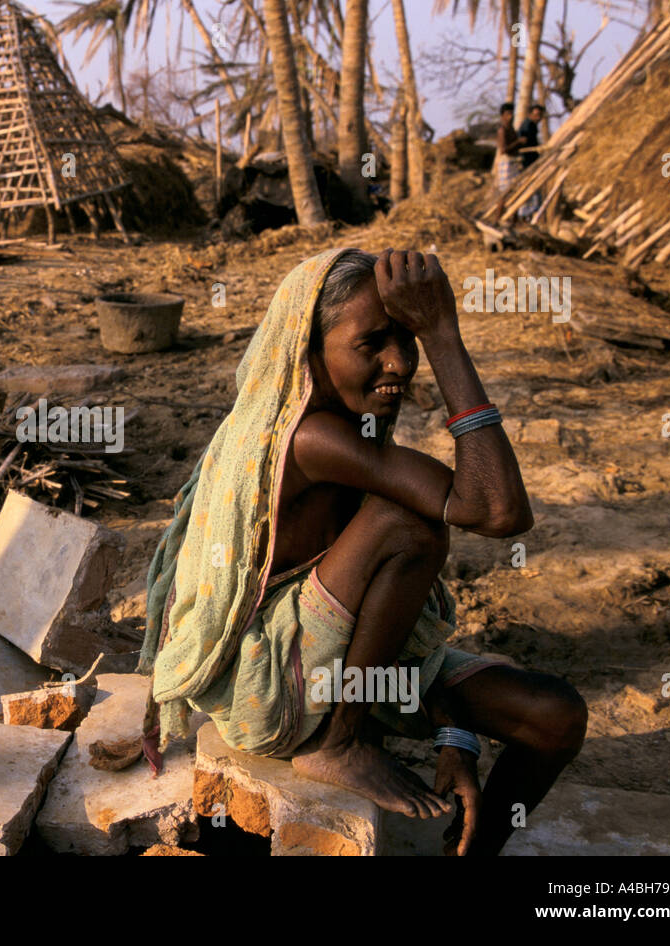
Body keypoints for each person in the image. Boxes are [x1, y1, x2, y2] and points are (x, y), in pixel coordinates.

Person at [139, 247, 587, 856]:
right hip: (269, 684)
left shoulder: (351, 429)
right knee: (410, 523)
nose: (401, 362)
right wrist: (445, 335)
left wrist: (453, 731)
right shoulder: (311, 436)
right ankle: (339, 744)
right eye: (373, 342)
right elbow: (497, 510)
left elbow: (389, 614)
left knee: (555, 717)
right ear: (308, 349)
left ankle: (474, 850)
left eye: (411, 340)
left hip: (339, 661)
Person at [493, 102, 523, 197]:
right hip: (506, 163)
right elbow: (503, 150)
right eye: (508, 114)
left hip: (513, 162)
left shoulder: (511, 129)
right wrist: (518, 142)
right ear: (503, 116)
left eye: (512, 113)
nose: (511, 116)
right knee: (504, 193)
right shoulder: (502, 130)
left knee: (514, 192)